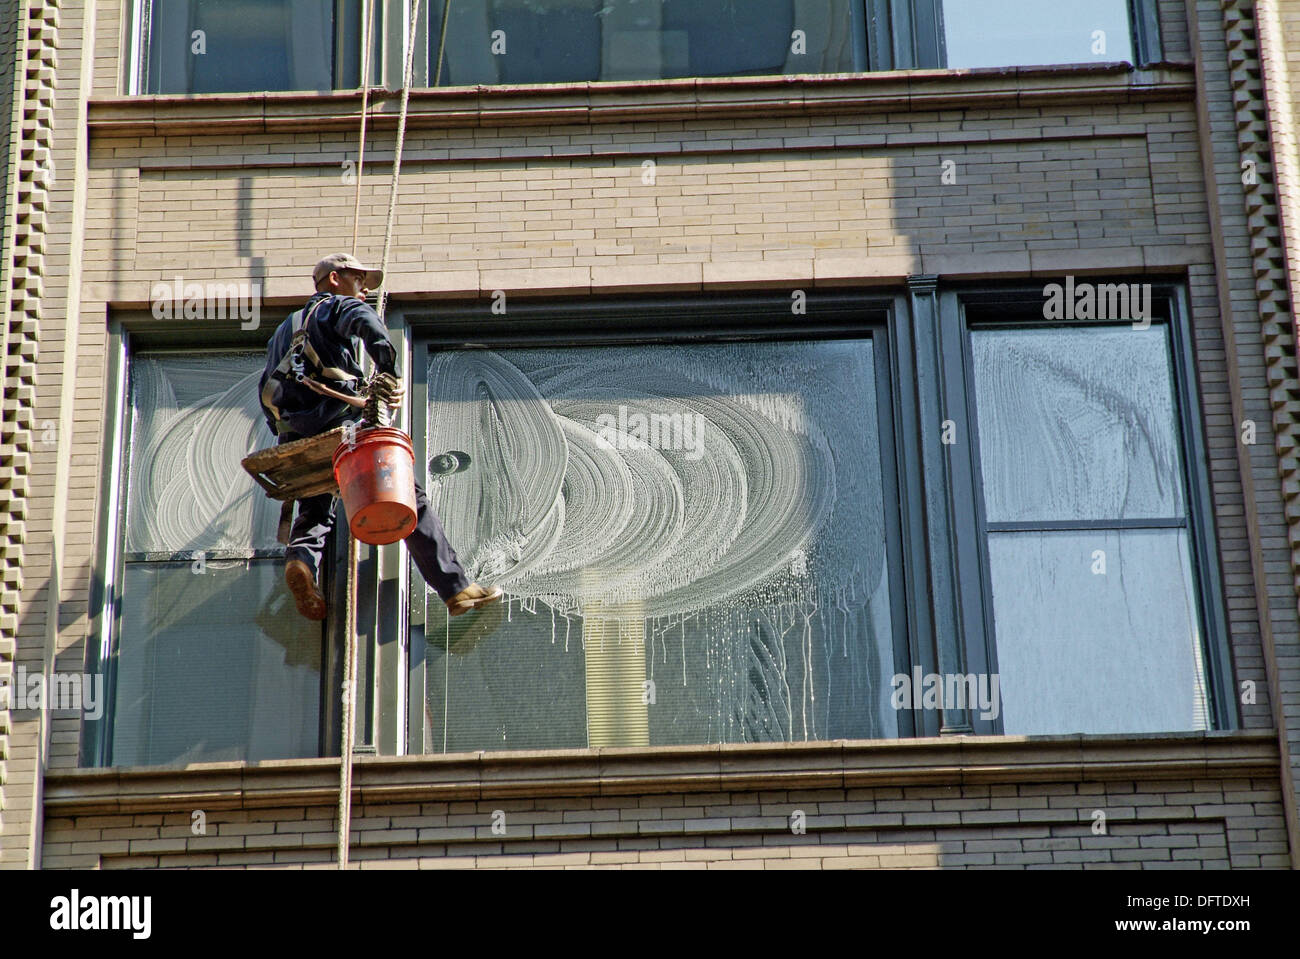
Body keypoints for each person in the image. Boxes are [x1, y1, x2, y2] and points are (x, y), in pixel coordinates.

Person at [258, 253, 502, 621]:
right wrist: (388, 368)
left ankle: (301, 561)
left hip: (295, 439)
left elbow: (267, 393)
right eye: (359, 279)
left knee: (317, 506)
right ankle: (455, 588)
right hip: (341, 428)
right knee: (406, 494)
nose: (366, 288)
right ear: (335, 279)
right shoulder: (334, 307)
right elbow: (364, 321)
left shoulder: (282, 331)